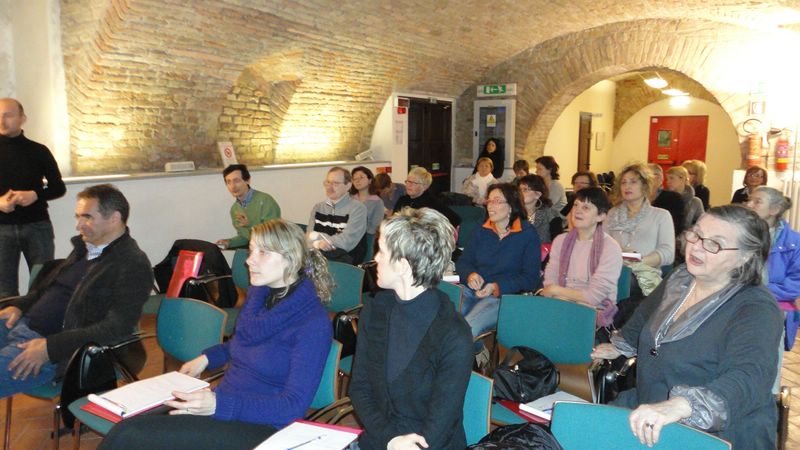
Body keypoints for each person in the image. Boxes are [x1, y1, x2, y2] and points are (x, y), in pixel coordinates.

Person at [100, 220, 333, 450]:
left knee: (131, 436)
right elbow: (244, 343)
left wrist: (219, 405)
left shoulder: (312, 324)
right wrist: (207, 358)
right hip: (226, 403)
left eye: (263, 252)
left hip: (264, 425)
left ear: (292, 259)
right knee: (126, 428)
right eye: (251, 251)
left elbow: (293, 406)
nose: (249, 260)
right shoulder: (261, 296)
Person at [592, 206, 783, 449]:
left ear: (745, 256)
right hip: (650, 407)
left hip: (717, 432)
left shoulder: (756, 308)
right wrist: (622, 345)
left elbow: (750, 376)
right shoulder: (682, 278)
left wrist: (683, 405)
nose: (697, 247)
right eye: (696, 235)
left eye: (714, 244)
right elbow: (646, 313)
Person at [0, 184, 151, 398]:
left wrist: (50, 348)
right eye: (78, 216)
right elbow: (47, 290)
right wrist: (19, 306)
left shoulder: (132, 264)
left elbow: (116, 329)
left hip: (55, 351)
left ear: (114, 218)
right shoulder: (85, 249)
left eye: (87, 217)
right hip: (21, 324)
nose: (78, 225)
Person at [349, 208, 473, 450]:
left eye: (382, 251)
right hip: (381, 439)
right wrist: (391, 439)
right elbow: (360, 388)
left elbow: (441, 422)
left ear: (403, 266)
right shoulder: (374, 311)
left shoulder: (453, 333)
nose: (375, 258)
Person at [456, 183, 541, 339]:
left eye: (497, 201)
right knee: (446, 322)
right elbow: (463, 262)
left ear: (511, 206)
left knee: (467, 329)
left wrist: (496, 287)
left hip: (502, 298)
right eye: (489, 201)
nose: (490, 205)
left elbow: (530, 278)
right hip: (471, 290)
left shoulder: (527, 234)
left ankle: (473, 350)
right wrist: (470, 275)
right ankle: (476, 350)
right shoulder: (481, 230)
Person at [0, 98, 66, 298]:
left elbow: (58, 187)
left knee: (43, 286)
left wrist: (35, 194)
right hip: (1, 228)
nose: (2, 120)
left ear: (22, 118)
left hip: (37, 226)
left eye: (8, 115)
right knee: (4, 291)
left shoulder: (38, 150)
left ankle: (37, 319)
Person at [542, 187, 622, 315]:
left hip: (595, 310)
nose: (577, 211)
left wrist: (556, 291)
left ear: (601, 216)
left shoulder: (610, 247)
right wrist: (558, 295)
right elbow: (550, 281)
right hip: (560, 303)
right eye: (575, 205)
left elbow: (594, 297)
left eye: (585, 207)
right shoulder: (560, 241)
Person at [606, 162, 675, 301]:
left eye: (633, 182)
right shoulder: (613, 213)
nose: (627, 186)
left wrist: (639, 263)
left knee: (626, 281)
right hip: (614, 270)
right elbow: (603, 244)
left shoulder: (661, 215)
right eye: (623, 183)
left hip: (644, 274)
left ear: (644, 186)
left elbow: (668, 252)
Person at [746, 186, 800, 349]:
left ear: (774, 210)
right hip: (740, 306)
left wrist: (757, 291)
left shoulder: (794, 243)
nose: (749, 205)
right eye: (749, 200)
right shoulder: (741, 234)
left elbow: (795, 283)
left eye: (757, 201)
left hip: (773, 310)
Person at [307, 166, 368, 264]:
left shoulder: (358, 209)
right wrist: (318, 243)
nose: (329, 187)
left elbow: (346, 242)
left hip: (344, 263)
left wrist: (319, 241)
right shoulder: (318, 208)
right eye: (328, 182)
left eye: (335, 183)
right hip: (318, 260)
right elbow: (309, 237)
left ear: (348, 186)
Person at [215, 164, 280, 250]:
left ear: (247, 181)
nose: (233, 186)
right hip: (255, 250)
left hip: (273, 250)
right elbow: (245, 238)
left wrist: (249, 225)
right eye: (229, 182)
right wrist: (229, 242)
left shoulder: (265, 200)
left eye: (236, 181)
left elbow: (272, 235)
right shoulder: (234, 209)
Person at [394, 167, 461, 228]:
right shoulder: (402, 200)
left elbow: (455, 220)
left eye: (414, 183)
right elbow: (393, 220)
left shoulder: (432, 203)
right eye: (408, 181)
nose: (409, 185)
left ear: (424, 187)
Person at [519, 174, 562, 244]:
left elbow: (558, 244)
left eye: (525, 189)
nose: (520, 193)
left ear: (538, 194)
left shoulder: (552, 215)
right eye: (519, 189)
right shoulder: (514, 213)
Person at [665, 166, 703, 231]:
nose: (668, 182)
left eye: (671, 178)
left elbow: (701, 223)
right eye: (667, 179)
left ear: (682, 179)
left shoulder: (695, 202)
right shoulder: (664, 199)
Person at [349, 166, 385, 235]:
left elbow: (375, 227)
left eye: (361, 177)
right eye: (354, 179)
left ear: (370, 180)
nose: (357, 181)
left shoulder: (377, 202)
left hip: (367, 237)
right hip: (347, 236)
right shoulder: (349, 199)